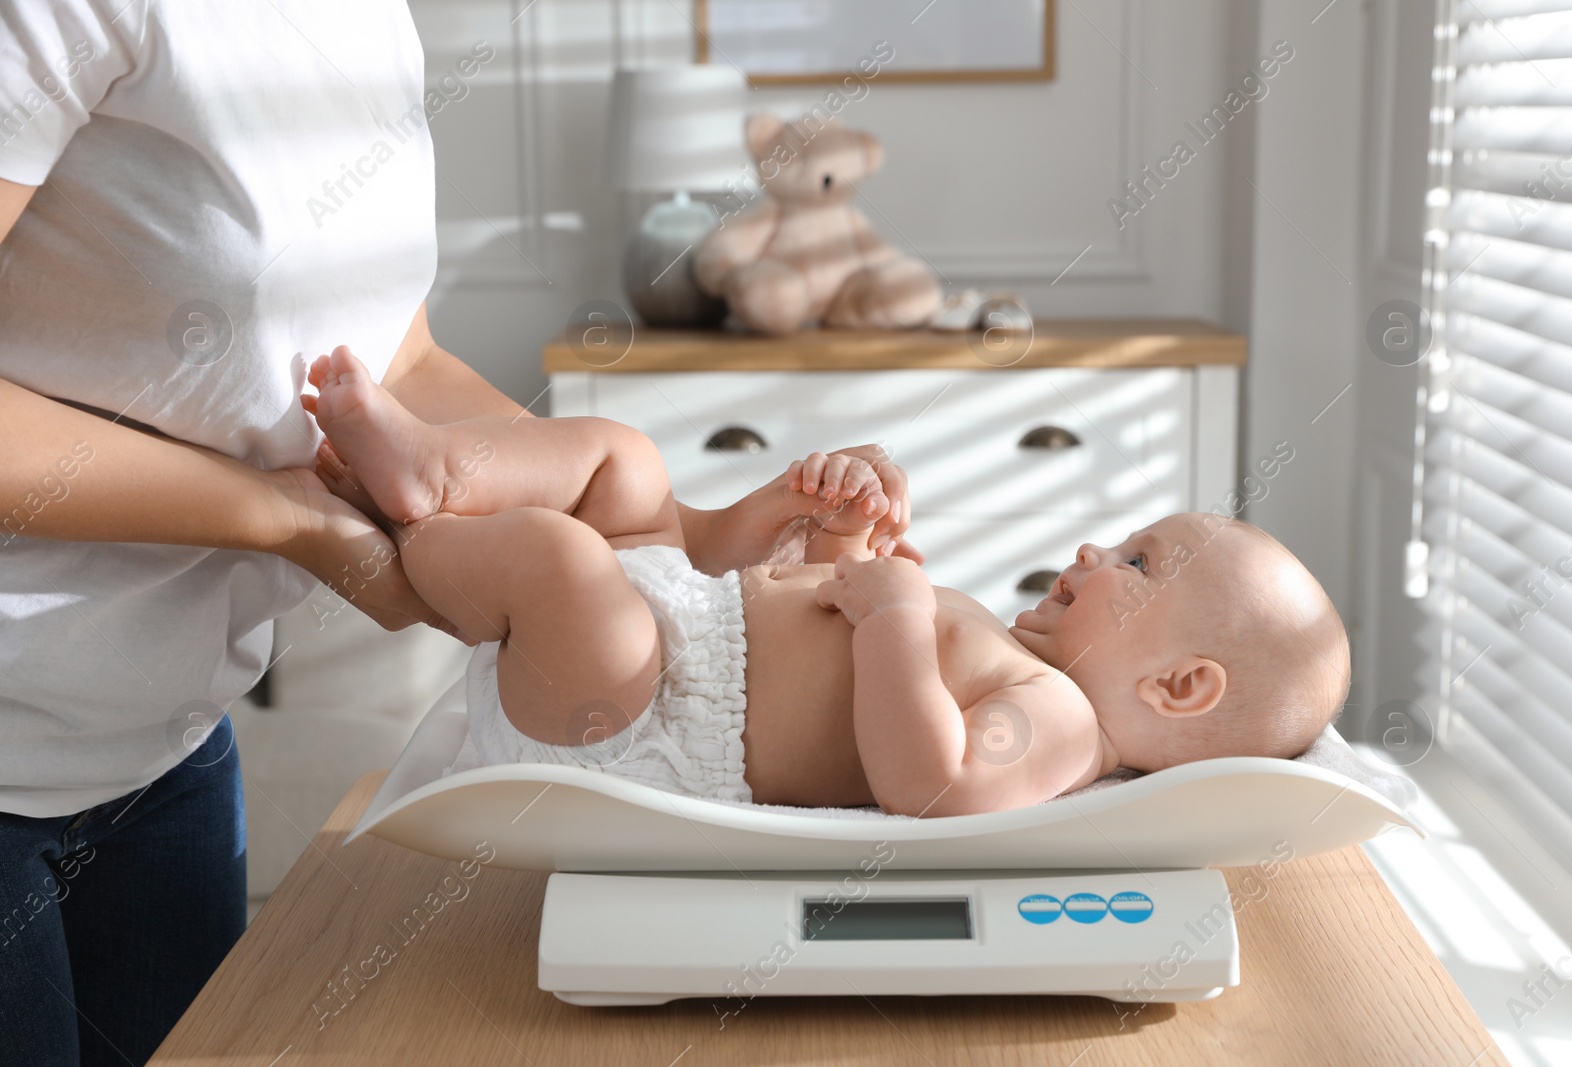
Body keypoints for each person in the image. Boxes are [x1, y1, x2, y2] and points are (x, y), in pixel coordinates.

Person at [0, 4, 914, 1064]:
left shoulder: (369, 22)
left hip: (163, 736)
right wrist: (285, 519)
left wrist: (674, 535)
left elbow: (402, 365)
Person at [308, 345, 1353, 817]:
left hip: (637, 722)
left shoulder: (1067, 726)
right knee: (624, 458)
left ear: (1179, 685)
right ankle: (436, 465)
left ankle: (419, 529)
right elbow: (797, 635)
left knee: (563, 564)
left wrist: (896, 613)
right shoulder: (1010, 644)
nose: (1090, 551)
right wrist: (825, 538)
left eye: (1134, 563)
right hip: (688, 625)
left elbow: (930, 781)